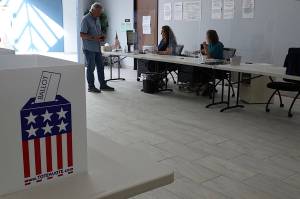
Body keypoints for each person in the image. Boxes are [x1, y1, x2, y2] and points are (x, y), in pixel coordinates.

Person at [80, 2, 114, 93]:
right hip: (89, 48)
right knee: (91, 68)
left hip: (97, 48)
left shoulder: (97, 18)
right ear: (93, 10)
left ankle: (103, 85)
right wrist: (94, 38)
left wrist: (101, 36)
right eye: (98, 12)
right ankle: (91, 87)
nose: (99, 14)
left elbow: (98, 32)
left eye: (100, 13)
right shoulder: (85, 19)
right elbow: (82, 34)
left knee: (101, 67)